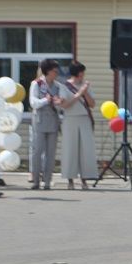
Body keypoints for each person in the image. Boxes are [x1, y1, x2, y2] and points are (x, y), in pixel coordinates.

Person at [59, 61, 97, 190]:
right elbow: (64, 105)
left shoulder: (86, 86)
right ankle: (70, 180)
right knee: (71, 149)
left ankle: (85, 180)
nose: (83, 76)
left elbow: (92, 104)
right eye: (81, 73)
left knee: (86, 150)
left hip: (84, 119)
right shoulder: (65, 86)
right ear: (76, 73)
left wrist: (85, 92)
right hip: (70, 119)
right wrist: (79, 93)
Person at [29, 59, 63, 190]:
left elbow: (60, 106)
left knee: (51, 153)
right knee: (37, 152)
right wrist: (46, 100)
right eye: (55, 71)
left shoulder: (58, 86)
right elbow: (33, 102)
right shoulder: (37, 84)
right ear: (48, 71)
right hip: (39, 121)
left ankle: (48, 181)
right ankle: (36, 181)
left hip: (53, 121)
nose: (57, 73)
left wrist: (58, 102)